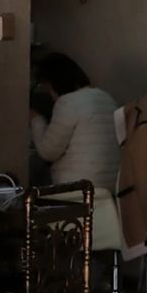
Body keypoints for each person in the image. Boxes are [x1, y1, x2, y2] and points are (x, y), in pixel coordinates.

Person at [30, 53, 119, 191]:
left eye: (46, 87)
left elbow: (48, 151)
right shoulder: (106, 98)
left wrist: (36, 119)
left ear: (54, 82)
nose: (50, 95)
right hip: (108, 186)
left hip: (78, 186)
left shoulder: (68, 103)